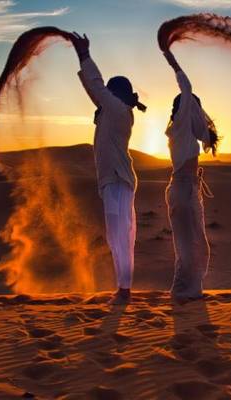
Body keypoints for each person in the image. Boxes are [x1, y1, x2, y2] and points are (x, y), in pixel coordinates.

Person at [70, 32, 146, 305]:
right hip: (115, 179)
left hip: (117, 179)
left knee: (120, 237)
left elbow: (96, 87)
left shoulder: (116, 109)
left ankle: (124, 291)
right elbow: (98, 93)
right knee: (119, 236)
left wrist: (84, 55)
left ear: (115, 95)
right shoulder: (116, 111)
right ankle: (123, 288)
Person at [162, 49, 219, 301]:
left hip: (188, 189)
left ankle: (185, 291)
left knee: (194, 243)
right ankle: (184, 293)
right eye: (193, 108)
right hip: (183, 190)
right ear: (186, 109)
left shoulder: (181, 131)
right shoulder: (181, 126)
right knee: (188, 245)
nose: (197, 113)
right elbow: (186, 87)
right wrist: (170, 57)